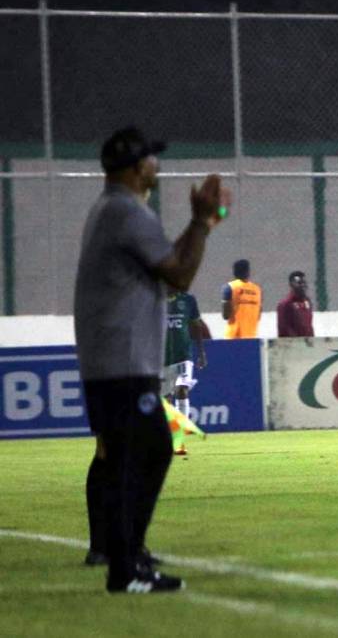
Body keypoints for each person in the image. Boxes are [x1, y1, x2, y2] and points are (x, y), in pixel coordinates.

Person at [75, 126, 230, 593]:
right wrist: (201, 223)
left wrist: (200, 225)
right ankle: (126, 565)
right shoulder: (128, 212)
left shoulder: (112, 210)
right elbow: (181, 275)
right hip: (122, 361)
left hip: (112, 358)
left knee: (124, 454)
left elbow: (164, 267)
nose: (156, 165)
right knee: (149, 451)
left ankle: (121, 553)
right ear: (135, 166)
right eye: (150, 159)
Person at [163, 289, 208, 455]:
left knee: (182, 389)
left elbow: (196, 325)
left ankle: (180, 440)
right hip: (163, 358)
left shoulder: (188, 300)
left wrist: (201, 352)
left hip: (183, 356)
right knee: (167, 400)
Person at [222, 259, 262, 338]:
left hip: (233, 336)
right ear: (248, 272)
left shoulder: (229, 287)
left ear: (234, 272)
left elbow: (226, 316)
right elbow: (259, 314)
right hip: (251, 336)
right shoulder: (257, 289)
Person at [277, 270, 315, 338]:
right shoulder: (286, 304)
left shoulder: (307, 301)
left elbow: (309, 325)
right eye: (299, 283)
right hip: (294, 344)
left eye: (304, 283)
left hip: (308, 344)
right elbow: (284, 329)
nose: (303, 285)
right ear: (291, 284)